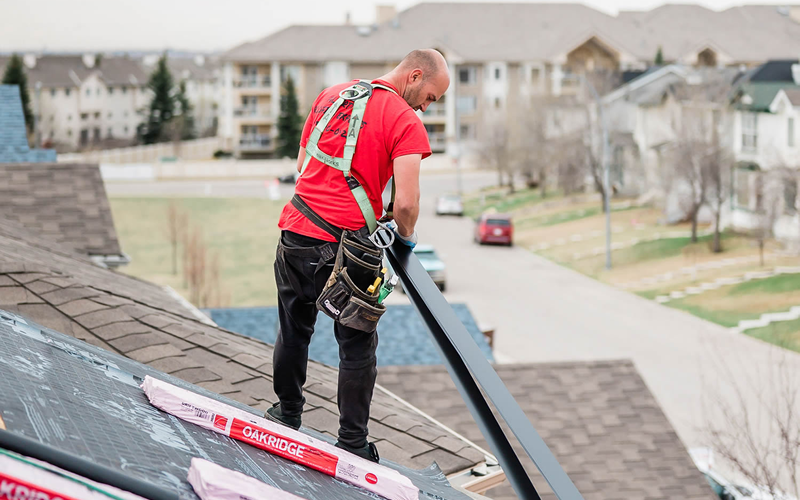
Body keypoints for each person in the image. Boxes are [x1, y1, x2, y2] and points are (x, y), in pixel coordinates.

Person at [267, 49, 450, 462]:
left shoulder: (330, 96)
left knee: (294, 330)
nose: (426, 106)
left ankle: (286, 414)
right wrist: (404, 236)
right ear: (415, 76)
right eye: (430, 97)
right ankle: (351, 442)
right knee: (356, 345)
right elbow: (405, 204)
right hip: (346, 249)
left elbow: (303, 164)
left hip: (295, 230)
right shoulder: (404, 121)